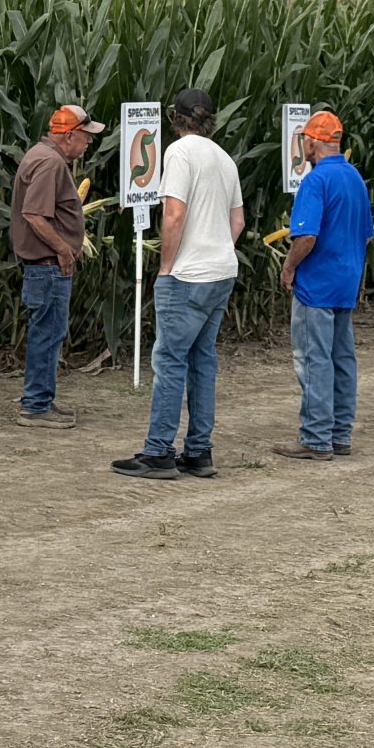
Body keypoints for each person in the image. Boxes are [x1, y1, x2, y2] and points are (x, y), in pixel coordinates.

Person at [112, 87, 245, 481]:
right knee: (202, 361)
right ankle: (199, 452)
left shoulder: (179, 153)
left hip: (187, 275)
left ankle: (158, 452)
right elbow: (237, 220)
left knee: (170, 361)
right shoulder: (224, 158)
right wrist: (218, 248)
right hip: (222, 271)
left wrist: (167, 266)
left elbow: (173, 214)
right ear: (210, 120)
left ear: (176, 118)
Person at [274, 109, 373, 461]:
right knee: (342, 358)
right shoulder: (355, 178)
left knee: (314, 359)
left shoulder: (315, 181)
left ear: (312, 142)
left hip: (316, 285)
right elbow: (367, 234)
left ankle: (316, 437)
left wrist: (288, 267)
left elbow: (307, 236)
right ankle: (340, 434)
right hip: (347, 282)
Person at [9, 104, 102, 426]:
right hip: (48, 266)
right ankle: (36, 406)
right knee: (47, 334)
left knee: (48, 332)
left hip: (45, 266)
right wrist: (63, 250)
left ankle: (41, 400)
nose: (89, 143)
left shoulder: (44, 157)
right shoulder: (49, 163)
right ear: (70, 135)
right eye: (86, 136)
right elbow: (34, 214)